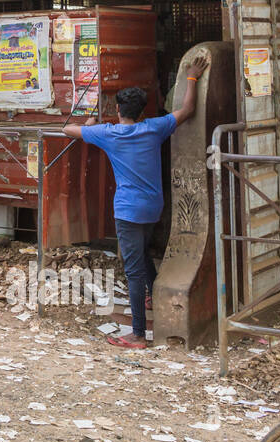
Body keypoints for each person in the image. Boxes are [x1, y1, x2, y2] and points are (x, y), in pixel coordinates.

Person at [63, 55, 209, 350]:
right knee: (141, 254)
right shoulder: (154, 128)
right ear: (142, 111)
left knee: (133, 271)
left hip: (128, 210)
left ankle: (138, 334)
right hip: (153, 207)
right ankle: (152, 295)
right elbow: (188, 109)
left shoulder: (107, 133)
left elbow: (68, 131)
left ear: (117, 110)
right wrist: (192, 76)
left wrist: (89, 122)